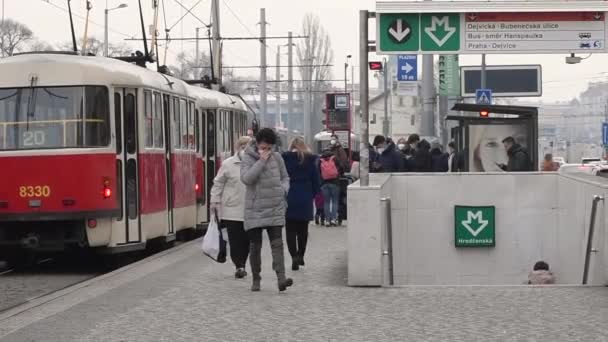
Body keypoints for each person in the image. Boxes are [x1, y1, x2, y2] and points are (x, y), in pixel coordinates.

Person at [240, 128, 293, 292]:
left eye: (269, 148)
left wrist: (283, 189)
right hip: (255, 208)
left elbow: (285, 177)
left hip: (275, 206)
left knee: (277, 244)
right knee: (255, 246)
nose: (267, 151)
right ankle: (256, 278)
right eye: (264, 147)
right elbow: (247, 179)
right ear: (257, 144)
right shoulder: (248, 157)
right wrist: (261, 161)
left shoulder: (277, 158)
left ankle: (281, 278)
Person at [209, 136, 251, 279]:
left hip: (250, 209)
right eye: (242, 145)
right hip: (231, 209)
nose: (245, 147)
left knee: (246, 240)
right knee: (234, 240)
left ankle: (243, 262)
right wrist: (214, 201)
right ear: (237, 147)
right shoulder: (228, 164)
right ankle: (239, 265)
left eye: (248, 145)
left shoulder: (255, 163)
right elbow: (218, 183)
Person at [282, 138, 321, 271]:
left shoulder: (285, 159)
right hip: (305, 197)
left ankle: (293, 256)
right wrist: (315, 195)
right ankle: (300, 255)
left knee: (290, 230)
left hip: (289, 197)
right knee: (303, 230)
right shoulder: (310, 161)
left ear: (291, 145)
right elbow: (316, 181)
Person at [319, 146, 343, 227]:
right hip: (335, 183)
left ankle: (327, 220)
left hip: (324, 183)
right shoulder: (334, 159)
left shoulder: (320, 160)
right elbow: (342, 167)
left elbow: (318, 171)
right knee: (335, 202)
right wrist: (340, 174)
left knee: (326, 202)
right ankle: (333, 219)